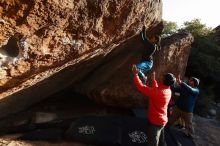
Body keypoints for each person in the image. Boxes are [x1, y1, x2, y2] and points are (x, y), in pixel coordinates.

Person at [132, 65, 176, 146]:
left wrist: (135, 75)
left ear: (164, 80)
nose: (161, 77)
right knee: (162, 142)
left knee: (152, 143)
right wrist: (153, 80)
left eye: (162, 77)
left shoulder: (157, 92)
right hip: (163, 120)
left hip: (155, 122)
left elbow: (141, 87)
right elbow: (157, 90)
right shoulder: (168, 90)